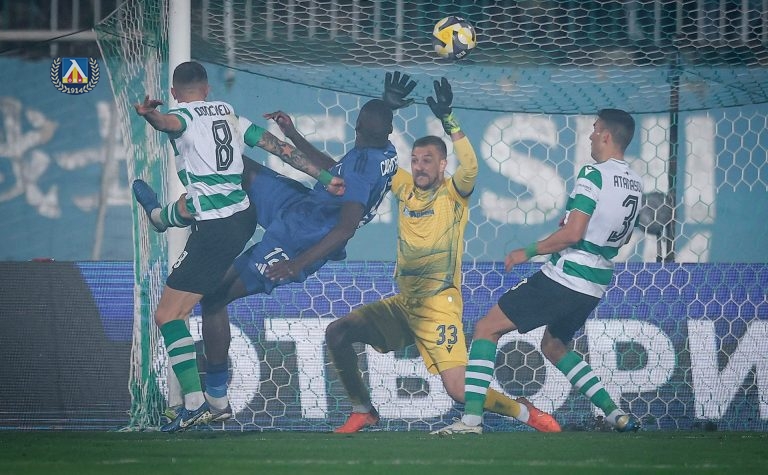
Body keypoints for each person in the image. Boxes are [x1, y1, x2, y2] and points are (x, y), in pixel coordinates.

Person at [135, 71, 419, 426]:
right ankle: (185, 214)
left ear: (359, 125)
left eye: (364, 126)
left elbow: (345, 228)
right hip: (303, 206)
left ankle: (217, 400)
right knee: (236, 164)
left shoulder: (365, 165)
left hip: (302, 238)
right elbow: (336, 171)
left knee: (215, 296)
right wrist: (293, 135)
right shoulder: (382, 150)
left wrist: (295, 264)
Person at [324, 78, 561, 434]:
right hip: (405, 304)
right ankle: (363, 410)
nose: (419, 167)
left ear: (442, 165)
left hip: (439, 306)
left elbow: (471, 168)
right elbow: (366, 161)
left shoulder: (454, 193)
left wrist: (448, 119)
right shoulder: (404, 186)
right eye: (415, 160)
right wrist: (384, 107)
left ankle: (523, 411)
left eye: (428, 161)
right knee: (338, 333)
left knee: (459, 391)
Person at [432, 108, 643, 435]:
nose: (590, 135)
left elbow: (573, 233)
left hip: (567, 276)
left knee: (487, 328)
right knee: (554, 346)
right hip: (595, 284)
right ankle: (615, 414)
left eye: (595, 128)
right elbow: (622, 236)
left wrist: (527, 251)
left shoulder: (594, 174)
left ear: (606, 135)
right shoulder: (635, 183)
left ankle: (471, 420)